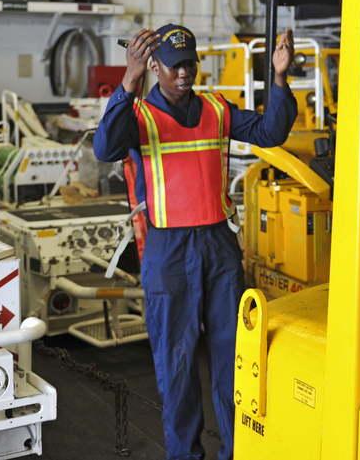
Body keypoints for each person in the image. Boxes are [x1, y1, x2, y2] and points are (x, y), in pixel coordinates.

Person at [94, 23, 298, 460]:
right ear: (154, 67)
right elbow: (105, 148)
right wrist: (128, 80)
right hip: (169, 252)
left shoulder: (217, 109)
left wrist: (278, 78)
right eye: (173, 66)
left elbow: (270, 133)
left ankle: (238, 451)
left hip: (220, 248)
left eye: (189, 64)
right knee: (178, 360)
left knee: (233, 355)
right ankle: (185, 454)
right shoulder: (139, 117)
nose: (183, 73)